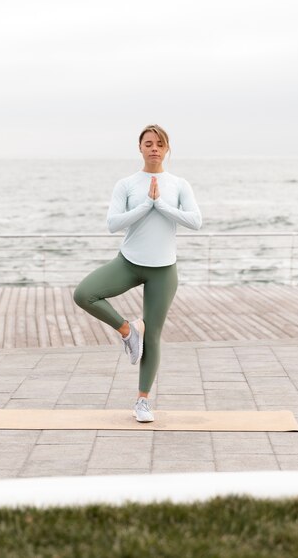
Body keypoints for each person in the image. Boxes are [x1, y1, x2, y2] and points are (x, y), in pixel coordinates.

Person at [73, 124, 202, 422]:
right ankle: (128, 330)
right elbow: (113, 224)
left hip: (164, 270)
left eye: (159, 143)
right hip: (129, 262)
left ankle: (142, 402)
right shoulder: (127, 184)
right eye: (148, 143)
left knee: (154, 336)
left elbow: (195, 221)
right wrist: (146, 204)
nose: (154, 148)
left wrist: (161, 205)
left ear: (167, 149)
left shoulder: (179, 184)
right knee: (84, 294)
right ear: (140, 148)